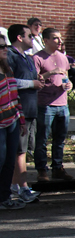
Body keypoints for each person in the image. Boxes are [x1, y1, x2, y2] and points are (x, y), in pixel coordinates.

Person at [6, 24, 42, 203]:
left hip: (30, 109)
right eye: (29, 36)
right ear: (19, 38)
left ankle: (14, 185)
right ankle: (23, 188)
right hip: (17, 111)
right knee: (19, 151)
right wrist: (31, 84)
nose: (33, 39)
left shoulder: (28, 58)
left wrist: (38, 80)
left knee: (24, 150)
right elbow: (9, 80)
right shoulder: (11, 56)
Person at [33, 27, 73, 182]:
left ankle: (58, 168)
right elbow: (35, 79)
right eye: (55, 38)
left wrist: (68, 84)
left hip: (63, 104)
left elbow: (67, 77)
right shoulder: (38, 58)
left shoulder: (63, 57)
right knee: (42, 139)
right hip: (45, 105)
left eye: (60, 38)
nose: (59, 41)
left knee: (60, 139)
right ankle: (42, 170)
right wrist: (51, 72)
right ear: (46, 40)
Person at [0, 36, 26, 210]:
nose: (5, 49)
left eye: (6, 46)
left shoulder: (7, 69)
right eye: (2, 46)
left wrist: (21, 119)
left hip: (13, 121)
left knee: (9, 161)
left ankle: (4, 197)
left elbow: (15, 96)